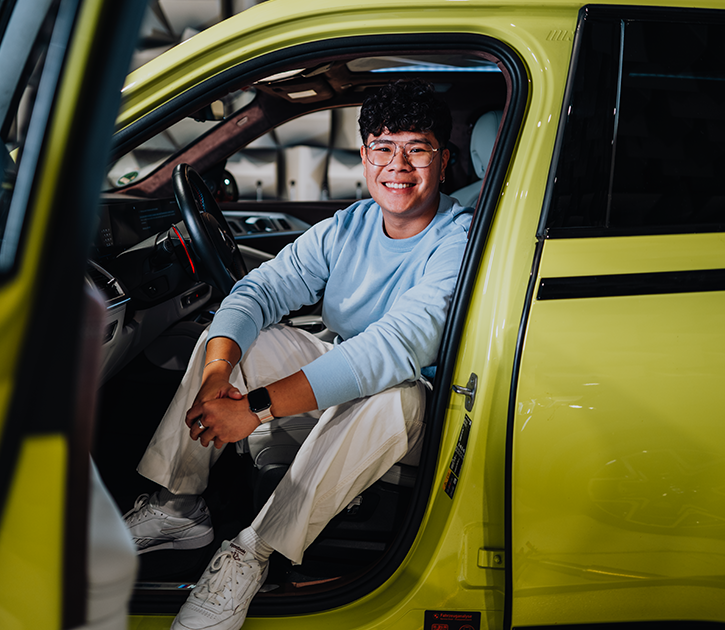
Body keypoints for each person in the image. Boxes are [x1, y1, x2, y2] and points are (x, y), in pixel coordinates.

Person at [127, 79, 472, 630]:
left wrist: (256, 408)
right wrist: (220, 372)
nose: (398, 165)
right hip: (340, 384)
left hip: (417, 411)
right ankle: (178, 505)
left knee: (394, 397)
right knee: (238, 340)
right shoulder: (350, 225)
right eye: (383, 148)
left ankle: (249, 554)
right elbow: (258, 291)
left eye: (417, 148)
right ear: (363, 156)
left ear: (444, 158)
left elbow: (392, 349)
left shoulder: (458, 239)